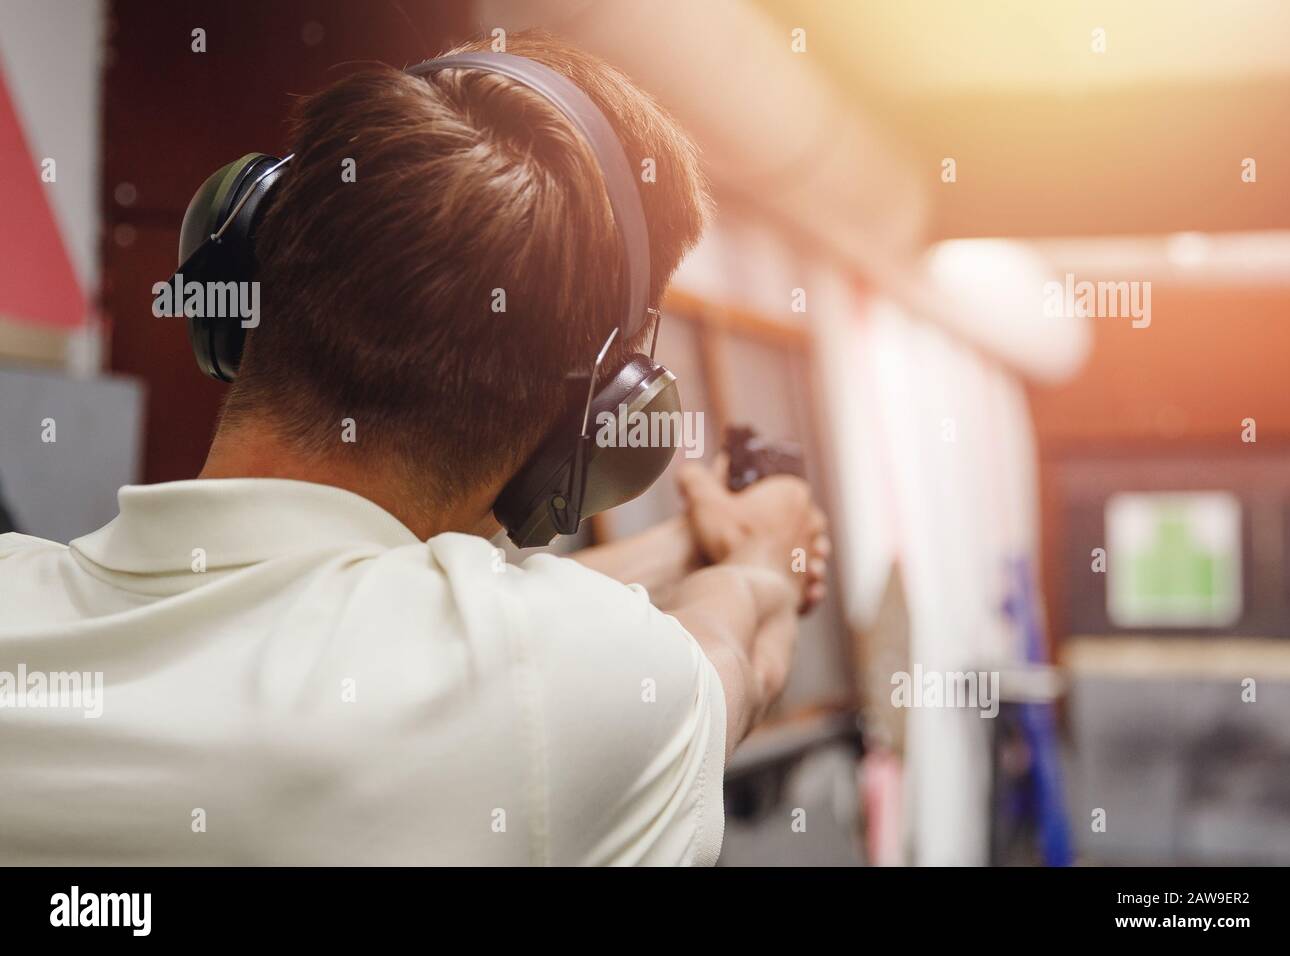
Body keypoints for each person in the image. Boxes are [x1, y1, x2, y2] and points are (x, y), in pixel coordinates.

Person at [0, 31, 828, 865]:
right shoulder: (570, 689)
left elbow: (389, 611)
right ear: (594, 427)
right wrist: (764, 555)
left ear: (240, 261)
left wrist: (685, 542)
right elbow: (732, 662)